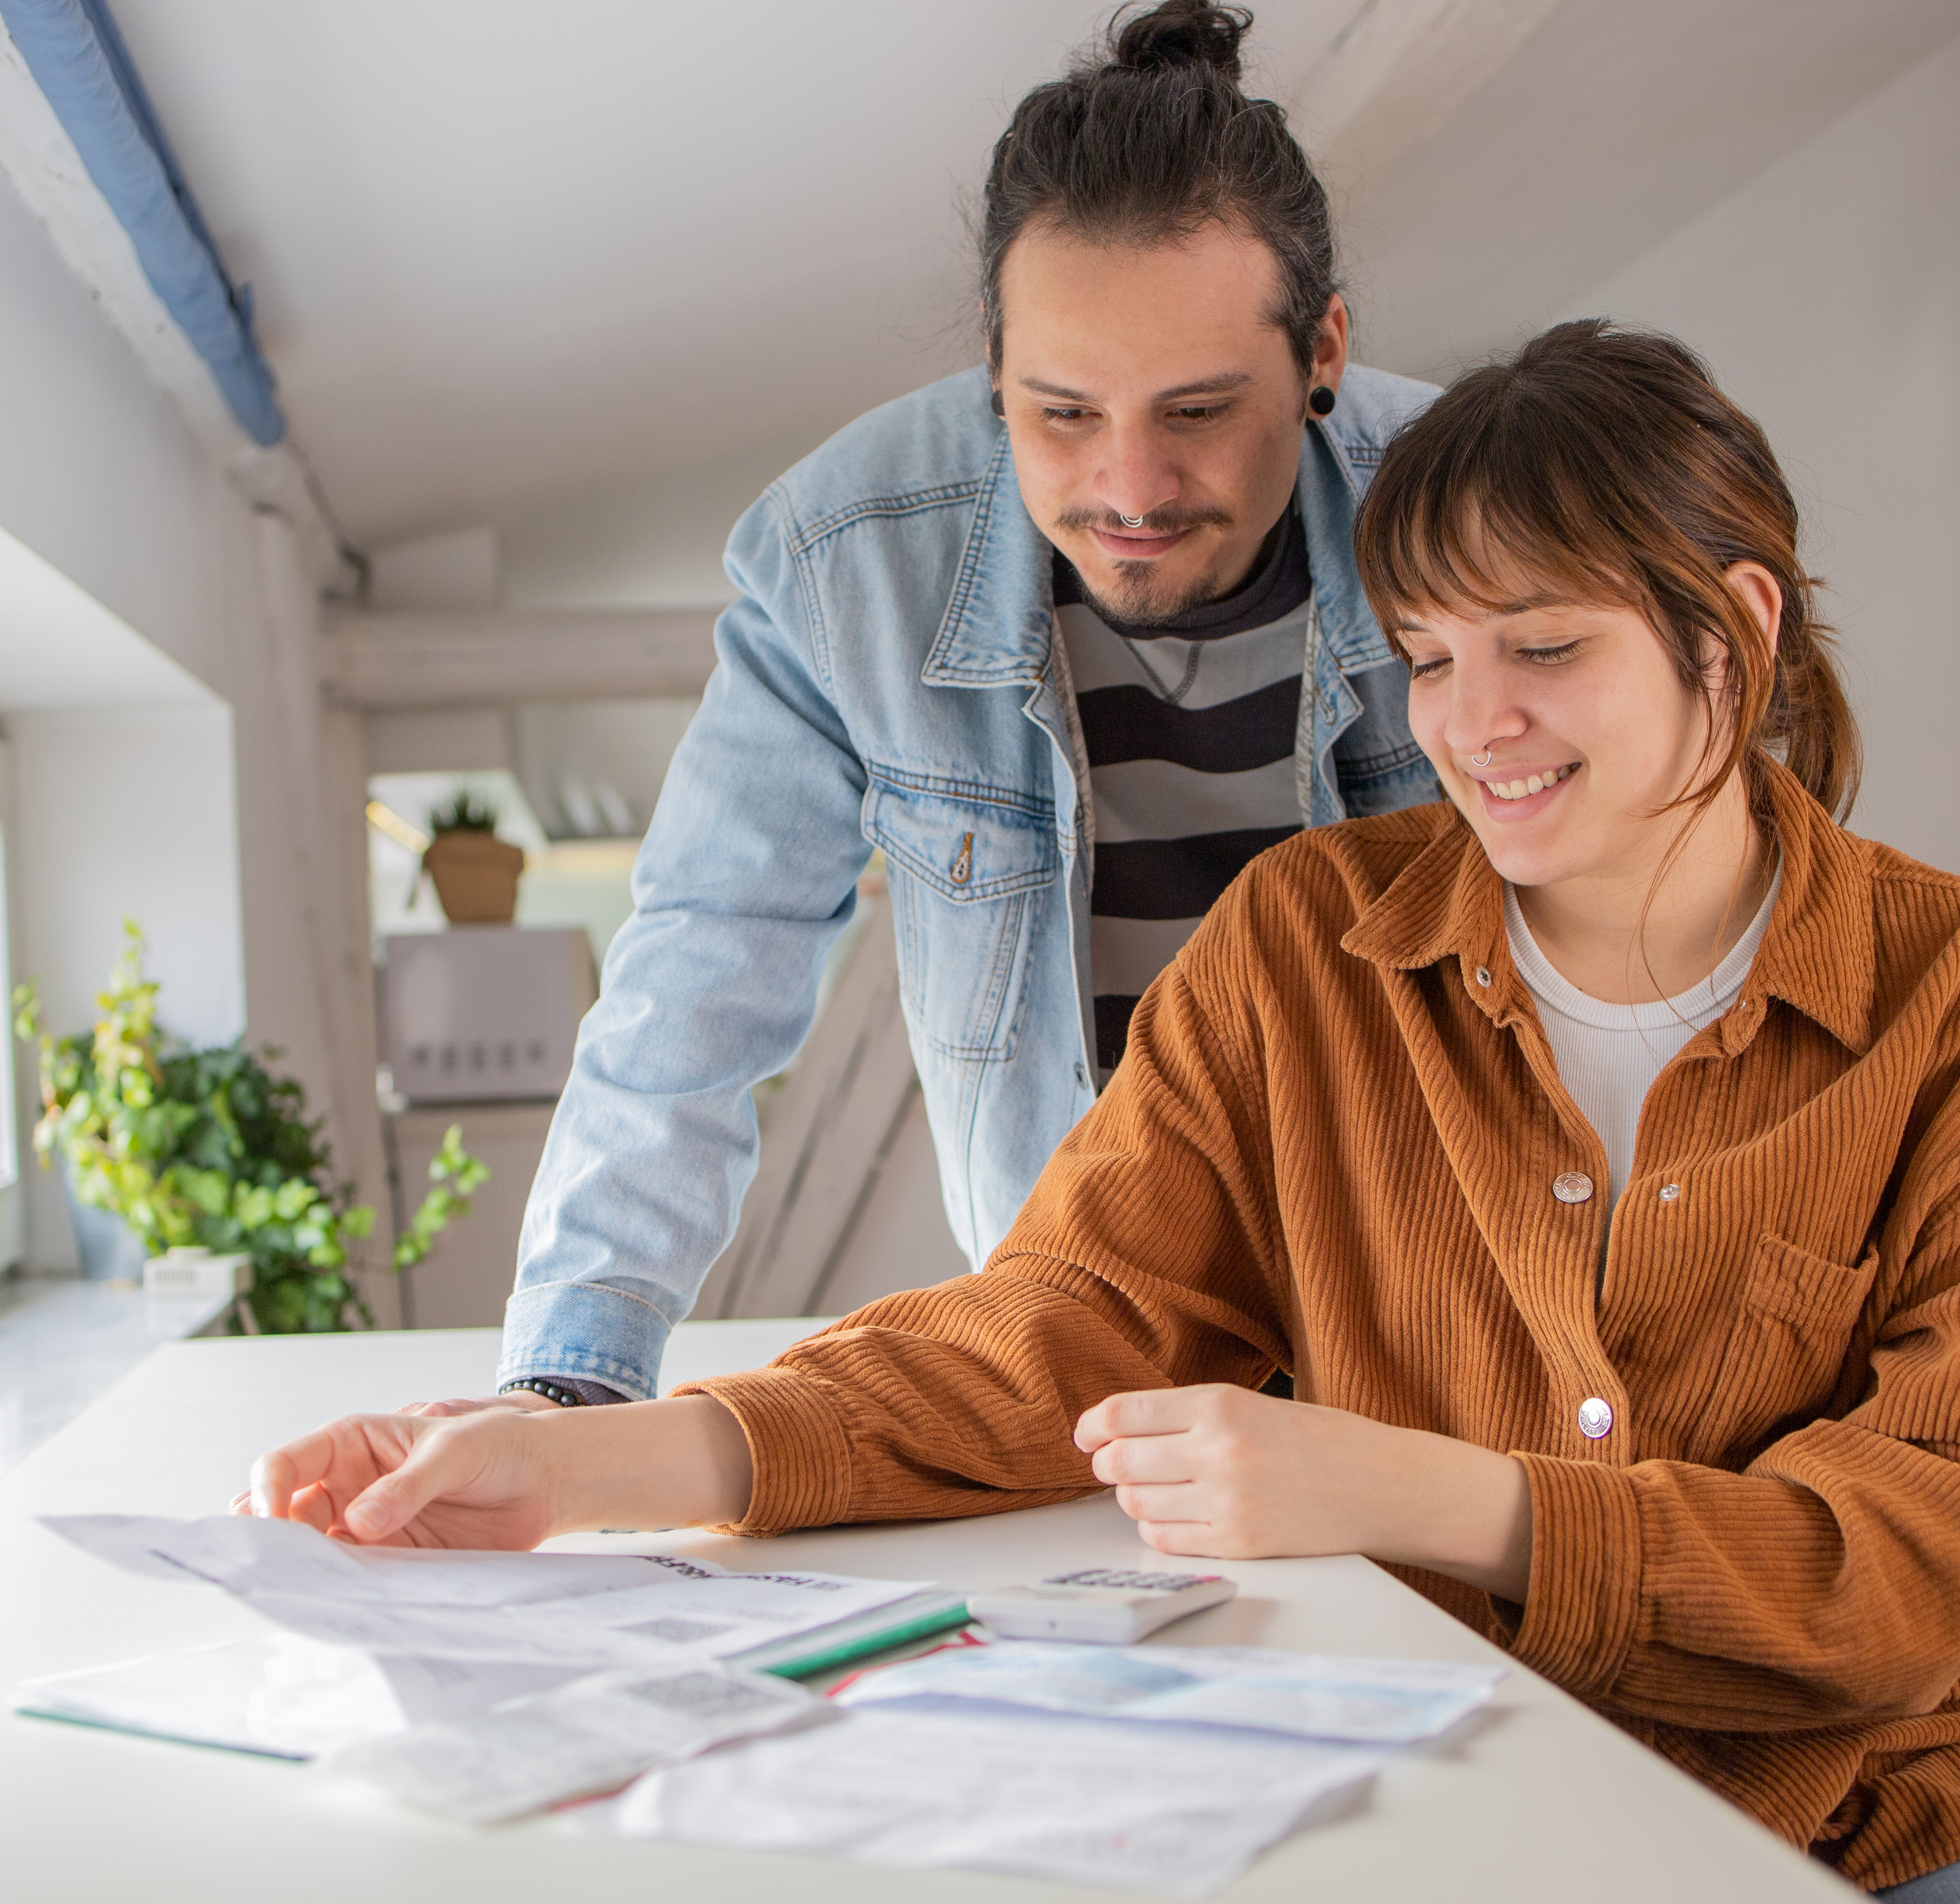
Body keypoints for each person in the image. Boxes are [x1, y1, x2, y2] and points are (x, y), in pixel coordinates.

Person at [253, 322, 1960, 1904]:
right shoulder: (1310, 945)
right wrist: (583, 1455)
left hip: (1909, 1781)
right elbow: (1056, 1325)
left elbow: (1947, 1532)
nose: (1475, 727)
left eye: (1541, 647)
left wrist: (1437, 1496)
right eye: (1432, 658)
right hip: (1469, 1767)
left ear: (1731, 627)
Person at [483, 0, 1443, 1411]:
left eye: (1196, 412)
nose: (1128, 490)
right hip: (1081, 1348)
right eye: (1061, 412)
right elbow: (701, 967)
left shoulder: (1477, 509)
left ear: (1324, 354)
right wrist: (566, 1388)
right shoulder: (844, 562)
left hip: (1436, 1331)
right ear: (992, 368)